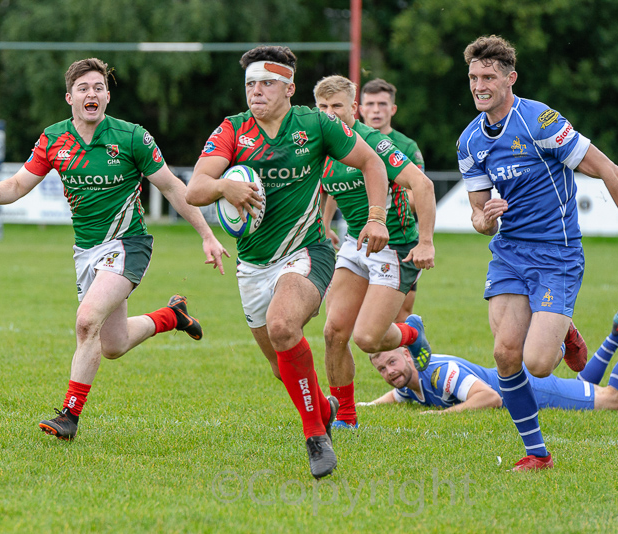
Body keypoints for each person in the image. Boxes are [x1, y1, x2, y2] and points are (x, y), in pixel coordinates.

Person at [184, 47, 425, 479]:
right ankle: (325, 408)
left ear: (290, 88)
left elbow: (371, 162)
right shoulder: (233, 129)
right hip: (253, 264)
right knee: (282, 367)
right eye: (251, 84)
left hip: (307, 251)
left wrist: (375, 217)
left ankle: (315, 435)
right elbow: (194, 189)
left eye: (267, 83)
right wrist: (223, 187)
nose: (256, 91)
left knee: (283, 326)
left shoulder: (316, 124)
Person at [0, 58, 229, 441]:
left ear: (107, 96)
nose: (92, 94)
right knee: (113, 345)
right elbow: (19, 185)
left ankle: (69, 416)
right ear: (69, 97)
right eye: (84, 88)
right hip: (87, 252)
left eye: (99, 87)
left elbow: (172, 186)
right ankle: (173, 316)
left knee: (87, 321)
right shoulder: (54, 139)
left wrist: (206, 234)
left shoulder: (132, 137)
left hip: (129, 244)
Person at [457, 35, 618, 471]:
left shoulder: (541, 121)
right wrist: (485, 219)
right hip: (509, 253)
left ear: (510, 79)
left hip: (557, 253)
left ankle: (562, 327)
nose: (479, 86)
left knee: (538, 364)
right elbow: (478, 215)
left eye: (488, 77)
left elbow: (607, 169)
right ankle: (538, 453)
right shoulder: (470, 141)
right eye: (473, 77)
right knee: (505, 355)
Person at [362, 310, 618, 445]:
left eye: (392, 362)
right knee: (584, 386)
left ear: (408, 353)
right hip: (522, 381)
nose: (389, 373)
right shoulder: (411, 382)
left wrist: (442, 416)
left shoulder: (439, 372)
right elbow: (396, 396)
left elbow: (489, 398)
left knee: (614, 400)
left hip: (531, 390)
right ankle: (616, 334)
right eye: (382, 370)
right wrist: (365, 406)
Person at [313, 75, 436, 431]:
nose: (329, 113)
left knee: (367, 339)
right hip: (355, 242)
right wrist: (323, 224)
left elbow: (423, 184)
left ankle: (411, 333)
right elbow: (324, 189)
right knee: (334, 332)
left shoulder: (374, 143)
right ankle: (346, 417)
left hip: (394, 246)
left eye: (337, 106)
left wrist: (425, 242)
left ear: (354, 108)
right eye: (323, 107)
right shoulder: (319, 144)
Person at [360, 78, 426, 322]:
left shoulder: (406, 146)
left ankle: (412, 340)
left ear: (393, 109)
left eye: (382, 104)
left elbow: (417, 194)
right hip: (359, 241)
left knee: (400, 315)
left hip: (398, 240)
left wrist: (378, 205)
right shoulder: (348, 142)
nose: (376, 110)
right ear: (361, 109)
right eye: (370, 104)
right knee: (357, 319)